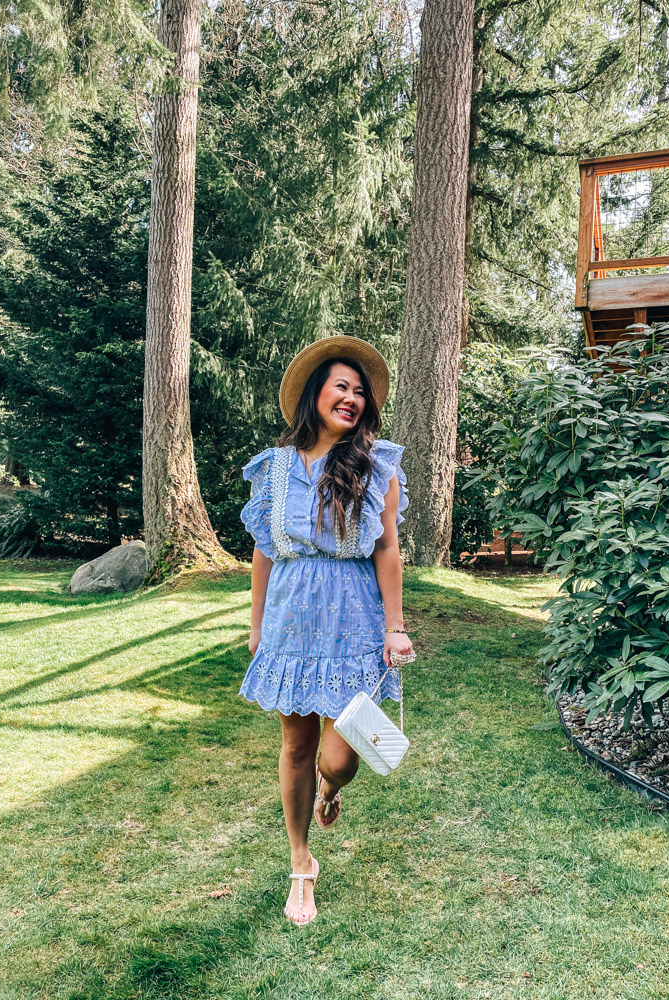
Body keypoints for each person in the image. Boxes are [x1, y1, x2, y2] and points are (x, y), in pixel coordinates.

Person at [238, 335, 415, 926]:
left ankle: (329, 790)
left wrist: (394, 627)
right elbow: (265, 552)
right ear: (316, 393)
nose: (352, 398)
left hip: (353, 622)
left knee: (340, 756)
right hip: (290, 622)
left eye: (360, 391)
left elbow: (386, 549)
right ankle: (300, 862)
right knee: (296, 744)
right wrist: (257, 626)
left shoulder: (377, 465)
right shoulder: (274, 469)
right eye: (342, 386)